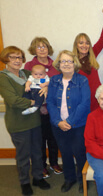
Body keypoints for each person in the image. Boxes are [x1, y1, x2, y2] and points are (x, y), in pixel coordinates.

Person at [0, 46, 50, 196]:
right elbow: (13, 100)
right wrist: (34, 103)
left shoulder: (27, 73)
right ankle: (24, 182)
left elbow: (43, 81)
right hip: (18, 123)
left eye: (19, 57)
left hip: (34, 120)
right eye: (13, 57)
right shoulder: (3, 77)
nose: (17, 60)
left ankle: (38, 178)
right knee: (23, 155)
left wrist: (46, 88)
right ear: (6, 59)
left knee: (37, 152)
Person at [46, 50, 90, 193]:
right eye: (63, 61)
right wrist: (58, 121)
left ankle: (82, 180)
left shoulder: (82, 80)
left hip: (78, 125)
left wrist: (70, 121)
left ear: (74, 63)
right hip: (58, 125)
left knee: (79, 153)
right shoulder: (54, 81)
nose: (66, 64)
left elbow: (85, 103)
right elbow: (51, 102)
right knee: (65, 153)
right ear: (58, 64)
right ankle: (69, 179)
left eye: (69, 61)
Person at [24, 36, 62, 178]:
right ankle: (41, 165)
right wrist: (39, 105)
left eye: (44, 46)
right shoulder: (29, 66)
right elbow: (26, 87)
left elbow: (59, 85)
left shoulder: (56, 65)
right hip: (37, 110)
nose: (42, 49)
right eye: (38, 47)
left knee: (53, 138)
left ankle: (54, 163)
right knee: (39, 139)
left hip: (54, 108)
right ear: (34, 49)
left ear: (48, 48)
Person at [73, 5, 103, 112]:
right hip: (82, 101)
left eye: (87, 43)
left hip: (98, 99)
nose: (85, 45)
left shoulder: (92, 53)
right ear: (76, 45)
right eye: (81, 43)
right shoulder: (71, 61)